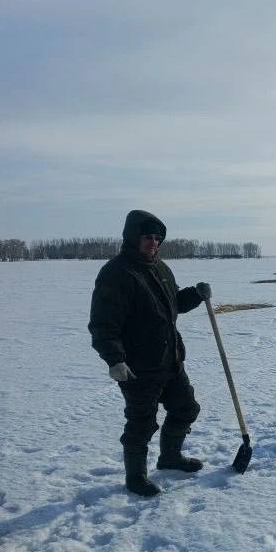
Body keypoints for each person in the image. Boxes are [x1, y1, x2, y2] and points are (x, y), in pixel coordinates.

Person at [89, 209, 212, 497]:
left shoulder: (161, 268)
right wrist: (114, 360)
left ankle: (170, 457)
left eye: (158, 238)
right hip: (137, 367)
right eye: (147, 237)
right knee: (141, 423)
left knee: (186, 408)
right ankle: (135, 477)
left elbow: (174, 304)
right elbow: (103, 324)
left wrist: (195, 293)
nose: (153, 243)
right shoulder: (116, 273)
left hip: (170, 360)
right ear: (132, 237)